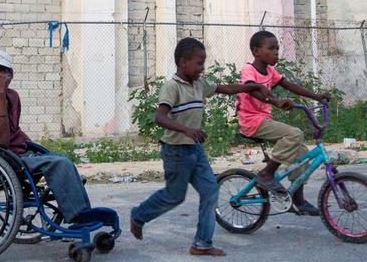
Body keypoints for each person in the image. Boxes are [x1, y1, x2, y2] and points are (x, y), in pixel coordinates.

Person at [129, 38, 271, 257]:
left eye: (203, 63)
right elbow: (160, 117)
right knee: (175, 196)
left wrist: (249, 86)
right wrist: (186, 130)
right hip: (176, 151)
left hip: (195, 150)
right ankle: (139, 215)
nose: (202, 68)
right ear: (183, 62)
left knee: (210, 191)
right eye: (199, 63)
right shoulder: (172, 87)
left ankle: (202, 243)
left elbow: (224, 88)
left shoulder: (199, 84)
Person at [0, 50, 91, 223]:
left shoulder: (13, 96)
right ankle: (79, 219)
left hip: (19, 157)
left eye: (1, 73)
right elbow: (1, 142)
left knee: (62, 160)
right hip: (1, 161)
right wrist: (0, 98)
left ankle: (84, 214)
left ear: (10, 76)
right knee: (59, 164)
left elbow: (14, 130)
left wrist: (34, 147)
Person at [236, 30, 330, 216]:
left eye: (277, 48)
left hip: (264, 120)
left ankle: (298, 199)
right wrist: (275, 101)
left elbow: (290, 86)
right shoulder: (249, 70)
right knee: (294, 133)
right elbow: (252, 90)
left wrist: (317, 97)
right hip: (251, 121)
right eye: (271, 48)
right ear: (256, 51)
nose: (276, 52)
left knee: (301, 151)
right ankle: (267, 173)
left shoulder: (270, 72)